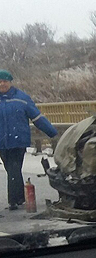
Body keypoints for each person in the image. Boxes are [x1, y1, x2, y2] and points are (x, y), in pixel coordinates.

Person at [0, 70, 58, 210]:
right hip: (2, 142)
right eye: (0, 81)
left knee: (14, 168)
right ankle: (19, 197)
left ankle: (14, 201)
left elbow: (37, 118)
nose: (2, 84)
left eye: (5, 81)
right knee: (11, 169)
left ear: (10, 82)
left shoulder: (22, 98)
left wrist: (52, 132)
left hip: (17, 141)